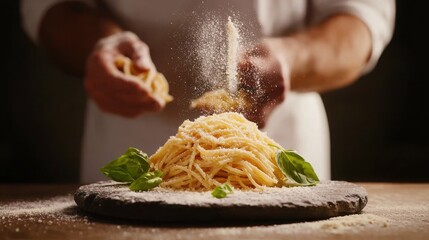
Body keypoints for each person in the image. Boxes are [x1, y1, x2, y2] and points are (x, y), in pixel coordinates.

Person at [21, 0, 395, 183]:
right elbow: (50, 8)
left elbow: (361, 18)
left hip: (278, 150)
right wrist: (101, 45)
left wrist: (291, 59)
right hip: (133, 151)